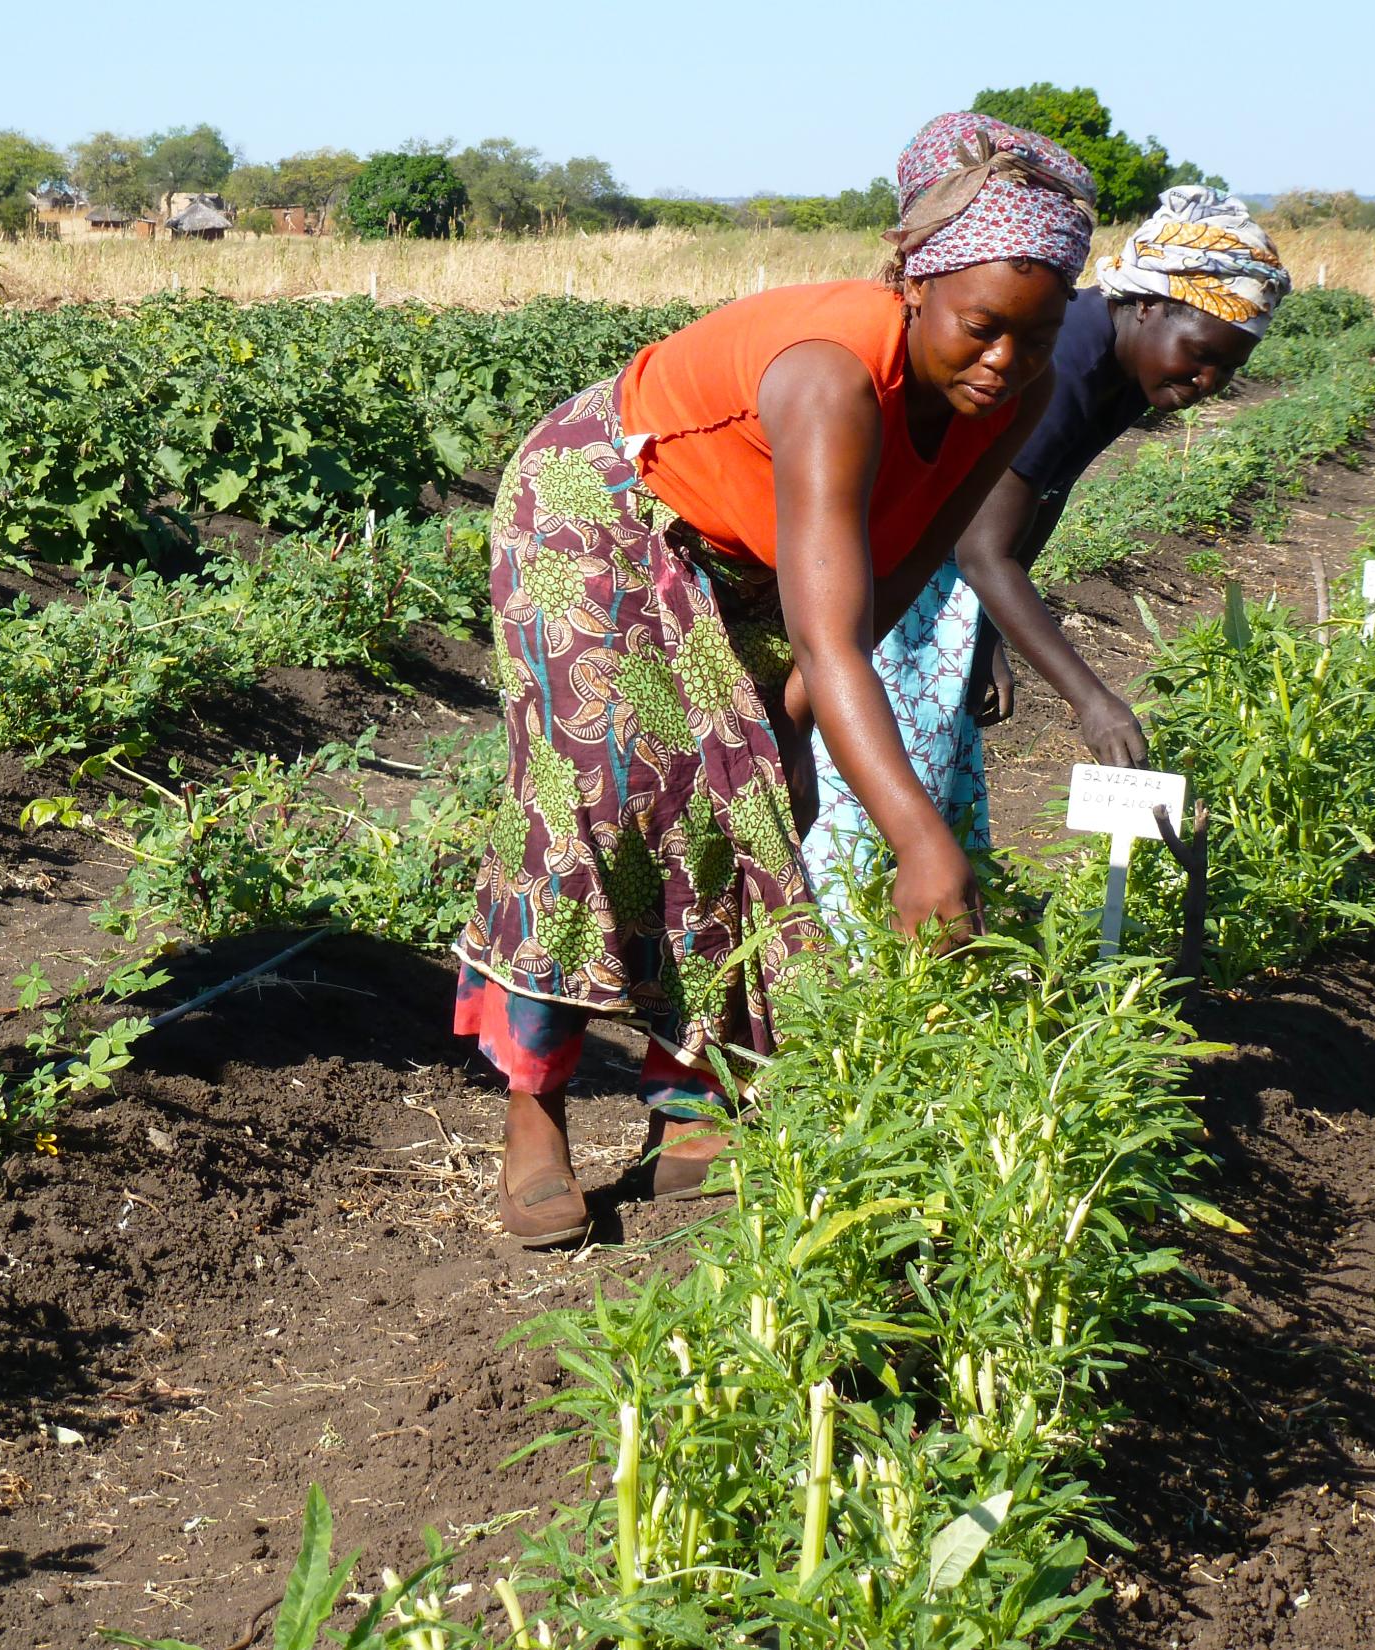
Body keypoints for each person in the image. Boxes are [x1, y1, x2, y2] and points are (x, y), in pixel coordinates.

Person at [455, 112, 1095, 1244]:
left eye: (1038, 338)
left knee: (752, 803)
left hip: (750, 552)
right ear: (912, 281)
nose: (1006, 362)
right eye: (982, 329)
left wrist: (797, 712)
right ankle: (534, 1109)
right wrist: (919, 839)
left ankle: (694, 1105)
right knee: (599, 805)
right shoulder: (829, 379)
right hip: (603, 513)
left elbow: (902, 560)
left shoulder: (1022, 393)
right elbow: (831, 633)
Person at [801, 188, 1291, 900]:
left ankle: (906, 944)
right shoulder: (1068, 360)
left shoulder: (1130, 367)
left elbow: (1031, 503)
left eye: (1229, 368)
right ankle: (836, 950)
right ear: (1148, 304)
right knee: (870, 782)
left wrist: (989, 637)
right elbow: (982, 547)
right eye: (1201, 354)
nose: (1208, 380)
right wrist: (1091, 700)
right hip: (890, 566)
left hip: (929, 567)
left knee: (927, 768)